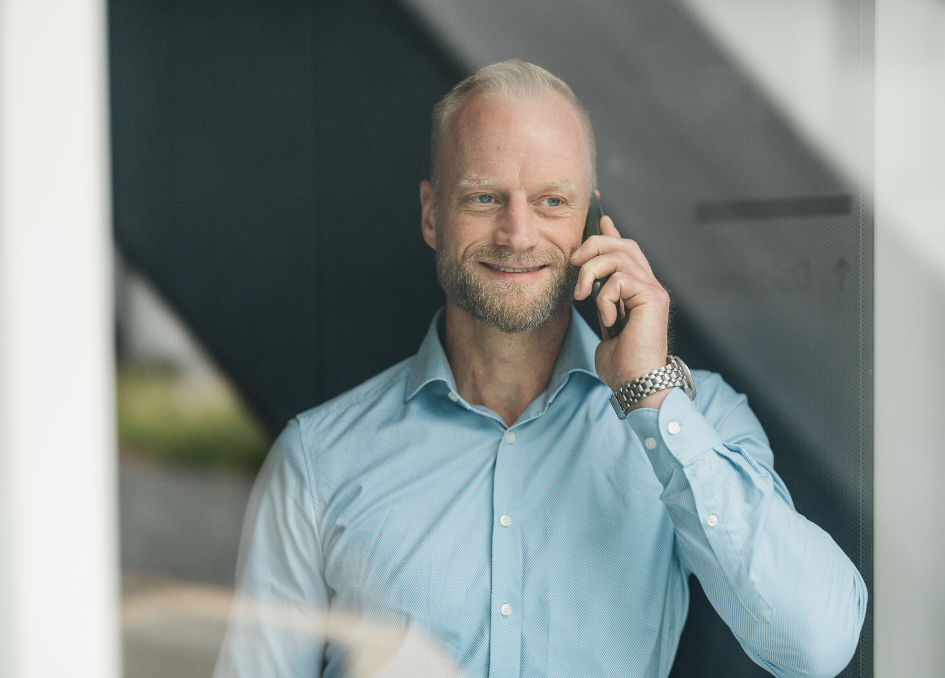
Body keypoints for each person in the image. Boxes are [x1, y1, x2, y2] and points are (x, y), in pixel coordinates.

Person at [214, 60, 867, 678]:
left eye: (551, 201)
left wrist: (652, 399)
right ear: (429, 214)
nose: (517, 233)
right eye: (483, 197)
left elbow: (816, 642)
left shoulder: (698, 417)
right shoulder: (319, 459)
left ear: (589, 216)